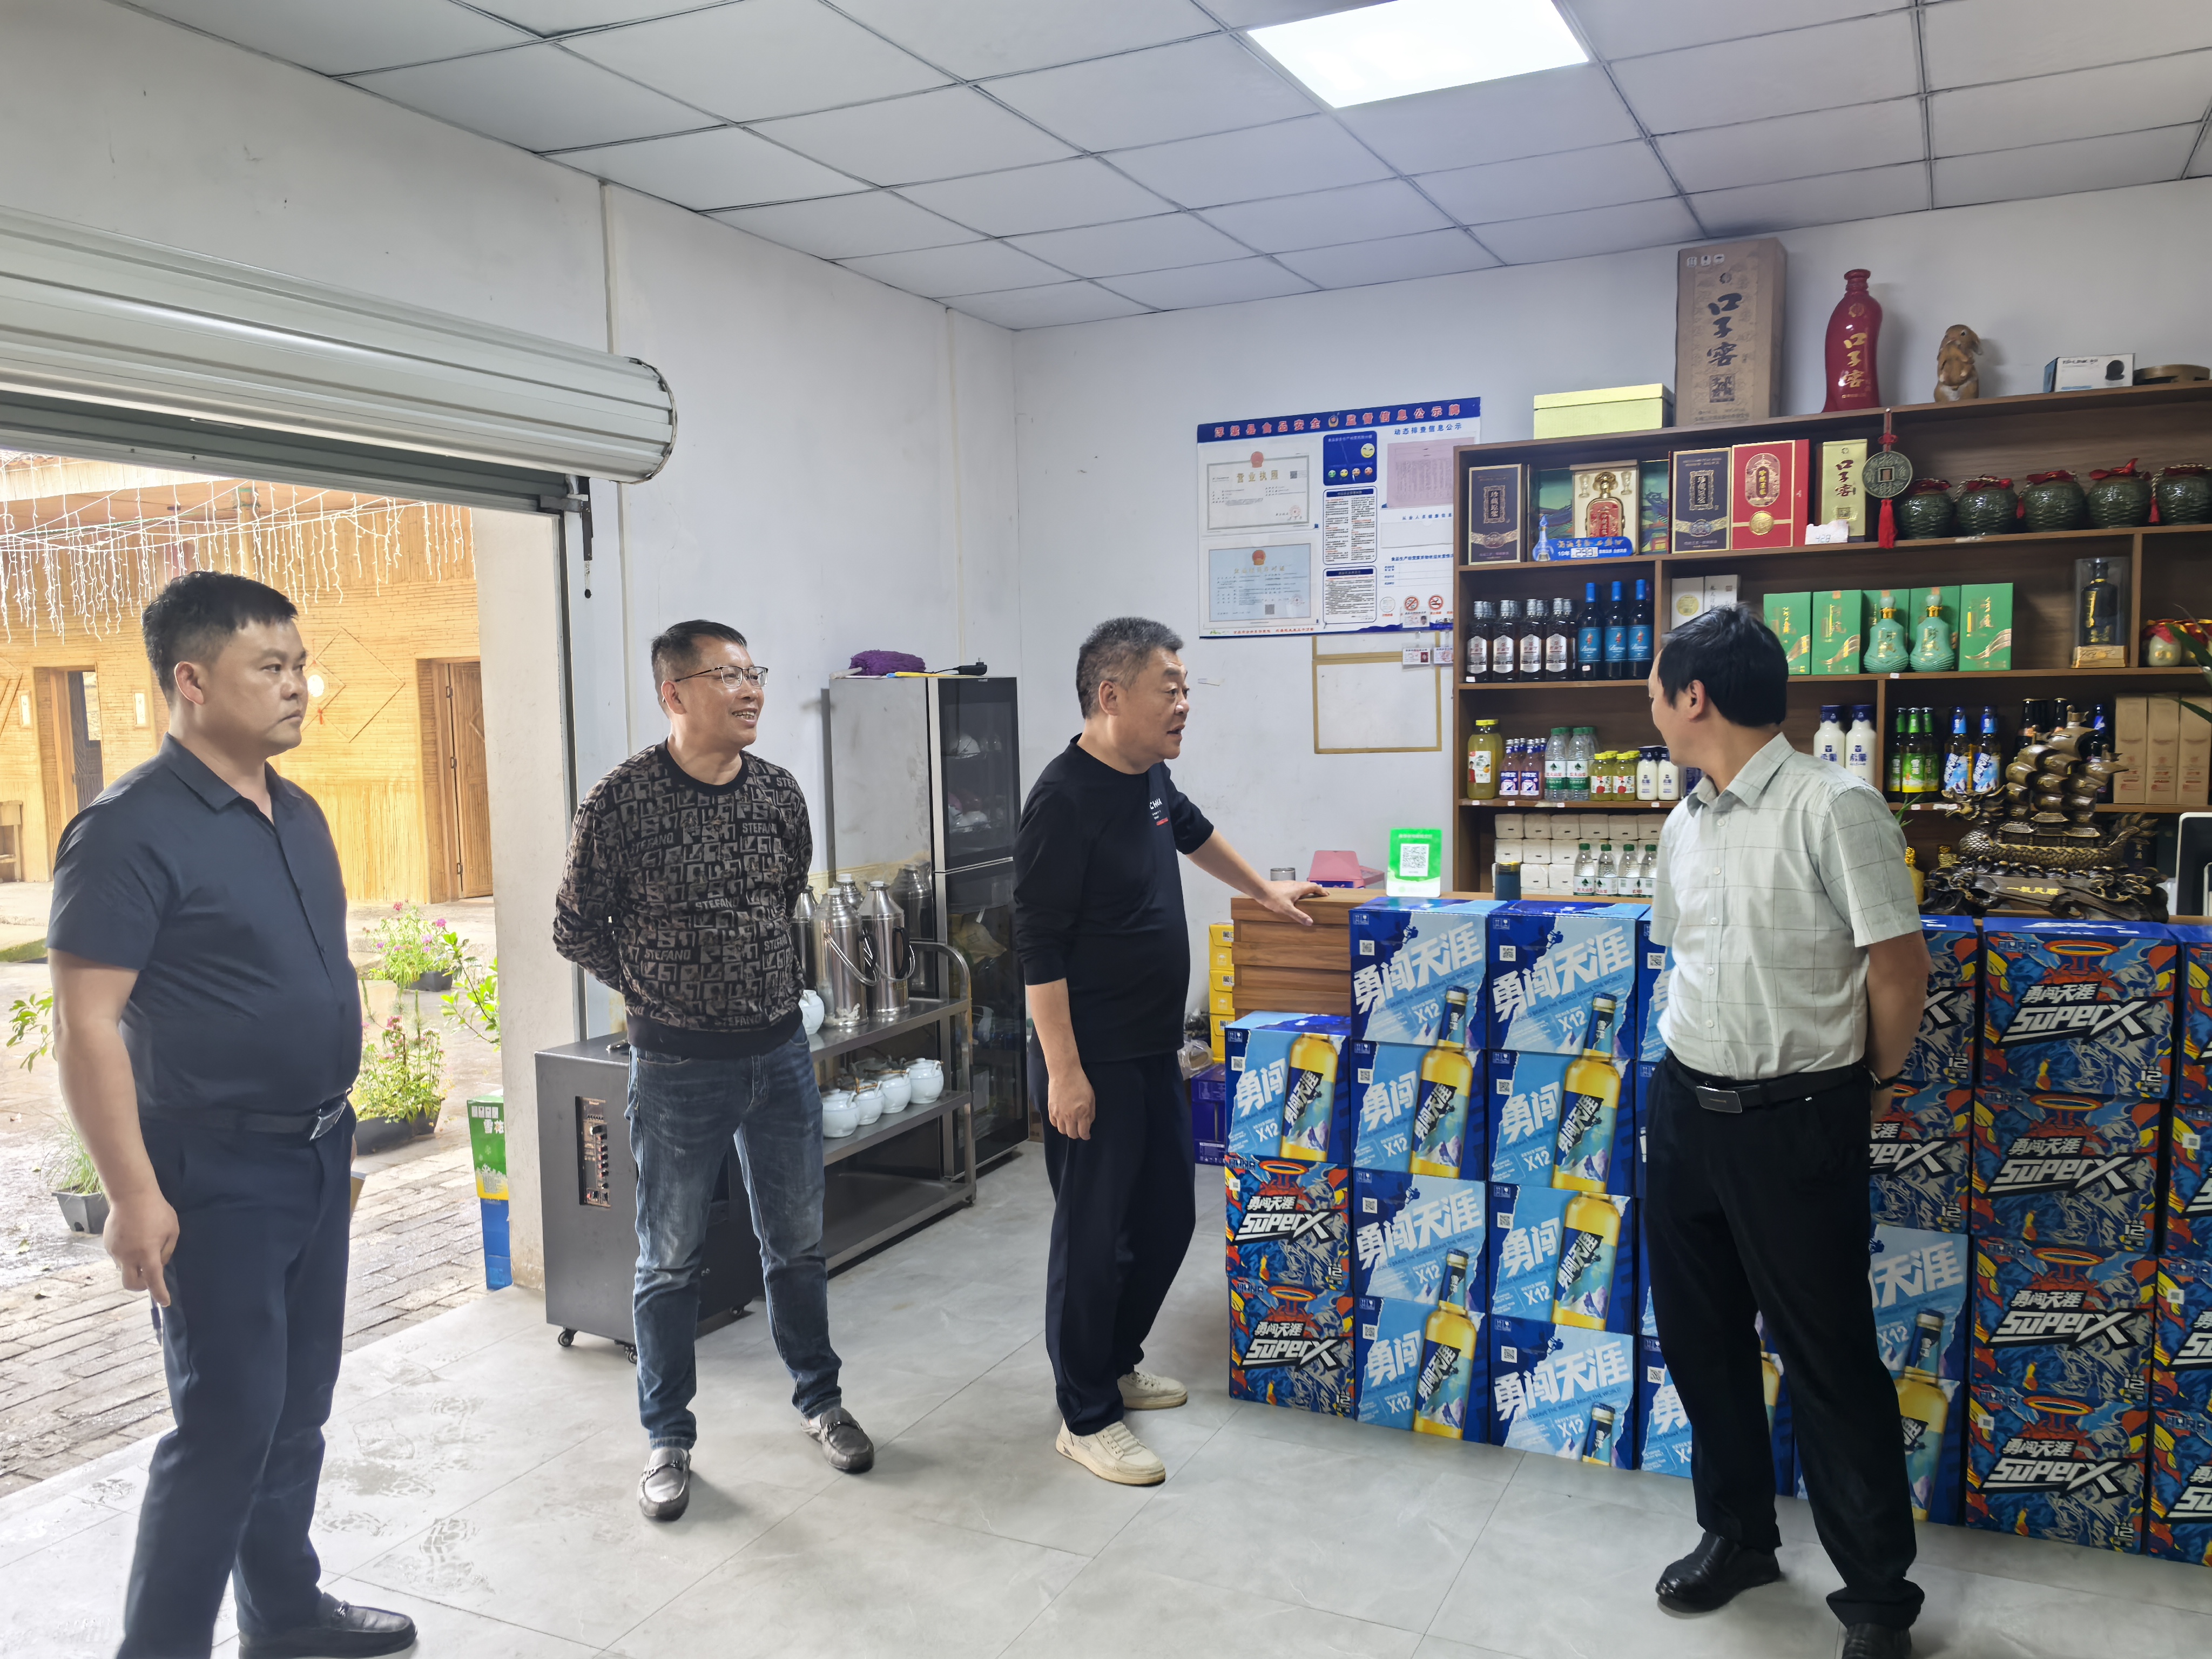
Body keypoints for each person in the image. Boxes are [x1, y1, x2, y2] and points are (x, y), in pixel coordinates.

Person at [50, 572, 413, 1659]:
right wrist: (133, 1196)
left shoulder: (295, 811)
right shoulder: (127, 831)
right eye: (272, 667)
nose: (299, 686)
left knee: (297, 1407)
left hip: (318, 1149)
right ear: (194, 681)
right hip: (212, 1170)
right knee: (224, 1427)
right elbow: (85, 1027)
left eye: (302, 666)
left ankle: (285, 1614)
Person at [1641, 605, 1930, 1659]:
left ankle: (1876, 1600)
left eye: (1655, 691)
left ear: (1694, 698)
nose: (1651, 706)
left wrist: (1870, 1085)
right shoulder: (1683, 822)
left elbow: (1898, 968)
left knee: (1827, 1358)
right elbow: (1681, 956)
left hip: (1798, 1118)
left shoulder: (1834, 806)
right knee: (1702, 1342)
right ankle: (1738, 1537)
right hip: (1686, 1109)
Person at [554, 618, 871, 1523]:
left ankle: (821, 1400)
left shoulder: (777, 794)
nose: (751, 690)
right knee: (669, 1261)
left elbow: (784, 899)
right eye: (728, 675)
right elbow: (575, 927)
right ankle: (667, 1438)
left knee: (797, 1245)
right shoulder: (621, 803)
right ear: (675, 693)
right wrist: (653, 992)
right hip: (677, 1069)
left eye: (753, 672)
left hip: (779, 1055)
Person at [1015, 616, 1323, 1486]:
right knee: (1091, 1239)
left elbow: (1192, 830)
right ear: (1112, 696)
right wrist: (1065, 1074)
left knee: (1164, 1222)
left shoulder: (1149, 773)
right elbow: (1038, 948)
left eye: (1186, 688)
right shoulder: (1063, 800)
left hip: (1153, 1049)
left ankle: (1114, 1364)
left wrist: (1263, 891)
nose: (1185, 703)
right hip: (1092, 1059)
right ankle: (1085, 1415)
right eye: (1171, 688)